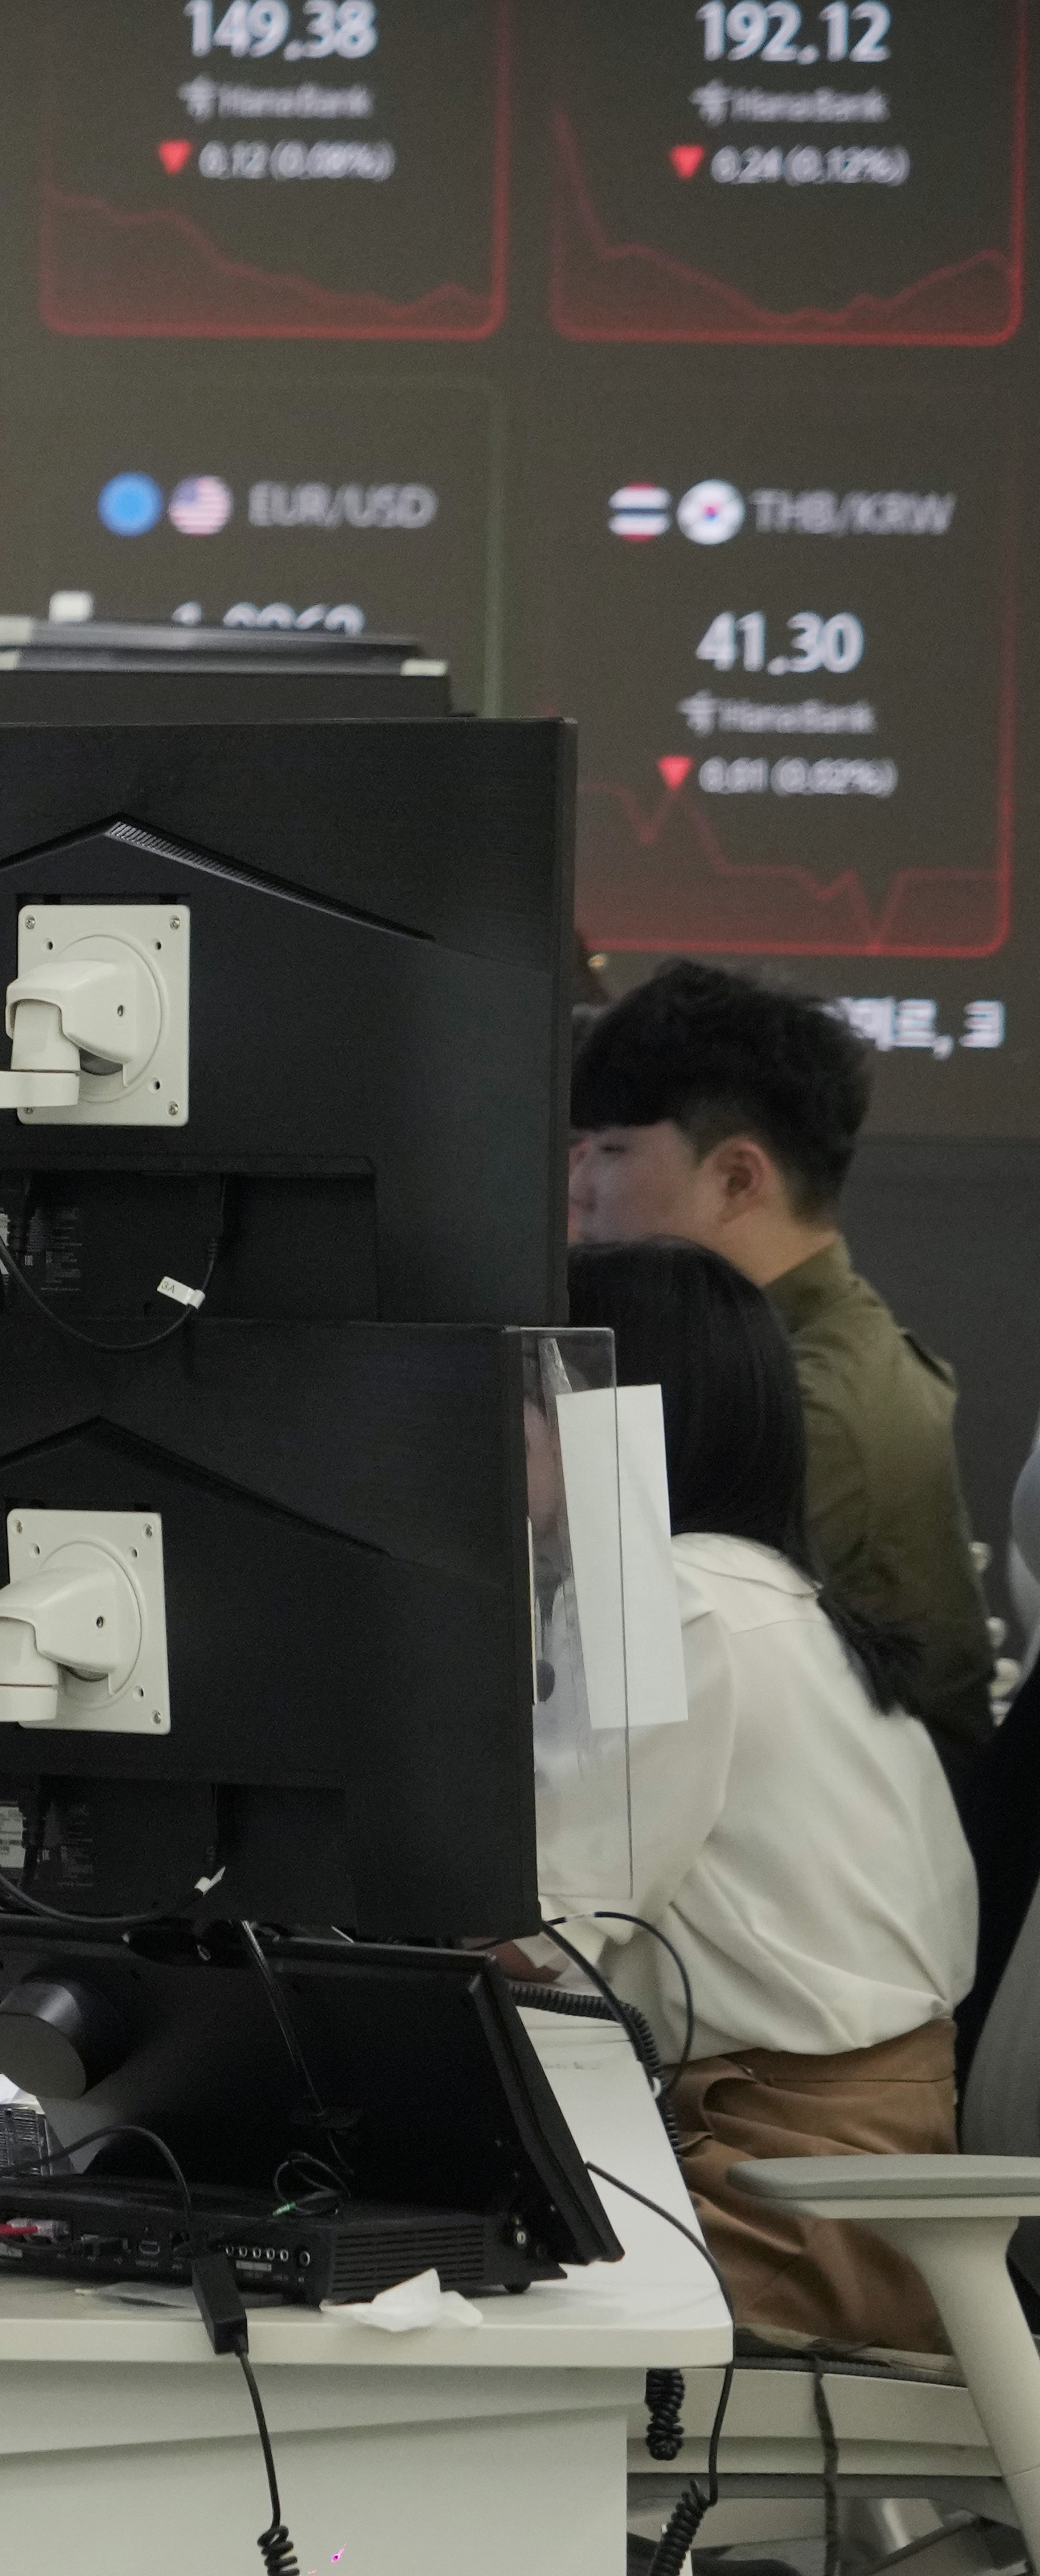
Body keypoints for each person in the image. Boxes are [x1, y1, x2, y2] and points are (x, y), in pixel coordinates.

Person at [534, 1237, 978, 2355]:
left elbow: (538, 1929)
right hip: (841, 2174)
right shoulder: (752, 1586)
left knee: (423, 2289)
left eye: (527, 1389)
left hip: (798, 2204)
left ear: (608, 1420)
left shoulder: (664, 1599)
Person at [567, 958, 994, 1750]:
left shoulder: (806, 1407)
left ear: (736, 1178)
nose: (581, 1187)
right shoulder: (785, 1349)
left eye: (614, 1151)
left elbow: (622, 1674)